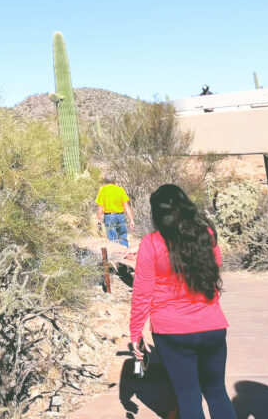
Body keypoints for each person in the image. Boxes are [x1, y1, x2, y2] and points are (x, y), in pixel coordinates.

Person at [129, 184, 236, 419]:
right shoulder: (205, 235)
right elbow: (213, 271)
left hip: (172, 331)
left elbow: (142, 293)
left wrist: (136, 332)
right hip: (212, 326)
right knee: (217, 392)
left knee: (188, 395)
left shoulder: (152, 243)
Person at [96, 178, 136, 246]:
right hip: (120, 216)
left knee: (112, 238)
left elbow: (100, 207)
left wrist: (98, 218)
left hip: (109, 217)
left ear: (105, 181)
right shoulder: (120, 190)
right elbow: (127, 206)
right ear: (114, 181)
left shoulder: (103, 190)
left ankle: (116, 255)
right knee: (123, 236)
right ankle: (125, 252)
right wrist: (131, 220)